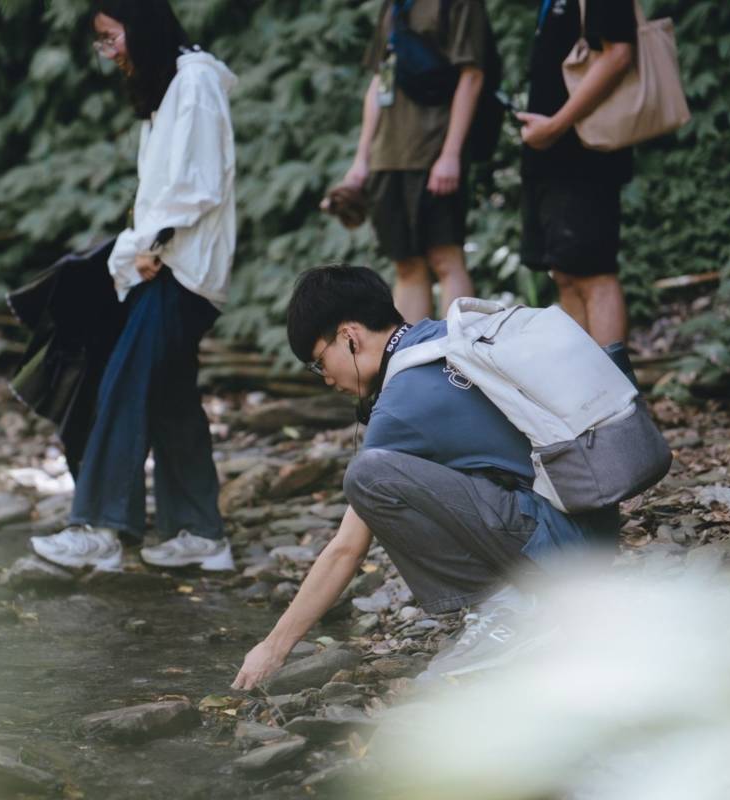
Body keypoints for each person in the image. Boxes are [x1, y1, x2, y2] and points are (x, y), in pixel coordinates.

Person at [231, 266, 622, 691]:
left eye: (318, 362)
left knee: (369, 477)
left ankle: (512, 611)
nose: (325, 378)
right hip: (595, 530)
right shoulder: (448, 337)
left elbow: (346, 549)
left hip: (564, 552)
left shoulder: (401, 402)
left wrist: (273, 647)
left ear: (349, 336)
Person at [28, 0, 237, 572]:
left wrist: (141, 247)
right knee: (170, 399)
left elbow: (195, 187)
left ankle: (98, 526)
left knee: (124, 387)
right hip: (172, 261)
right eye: (101, 40)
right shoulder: (178, 83)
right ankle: (201, 534)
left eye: (111, 36)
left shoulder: (193, 83)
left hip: (175, 265)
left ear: (140, 28)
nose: (109, 51)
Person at [335, 0, 491, 324]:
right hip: (388, 156)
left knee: (446, 259)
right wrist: (362, 158)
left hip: (434, 151)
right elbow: (380, 80)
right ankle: (412, 365)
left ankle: (461, 364)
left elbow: (472, 75)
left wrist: (450, 154)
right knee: (405, 264)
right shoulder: (392, 5)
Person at [516, 0, 636, 346]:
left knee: (594, 274)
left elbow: (619, 54)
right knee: (565, 275)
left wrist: (557, 124)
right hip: (550, 153)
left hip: (586, 151)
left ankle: (616, 394)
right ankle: (585, 392)